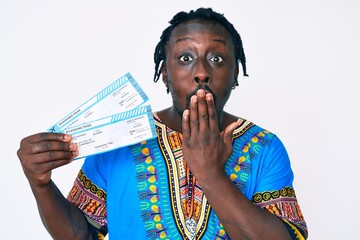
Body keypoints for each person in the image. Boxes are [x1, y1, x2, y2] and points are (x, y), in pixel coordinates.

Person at [17, 8, 308, 240]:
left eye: (217, 58)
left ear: (235, 74)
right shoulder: (120, 138)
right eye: (185, 58)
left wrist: (210, 174)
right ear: (165, 73)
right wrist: (40, 183)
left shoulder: (265, 148)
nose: (202, 73)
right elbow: (80, 234)